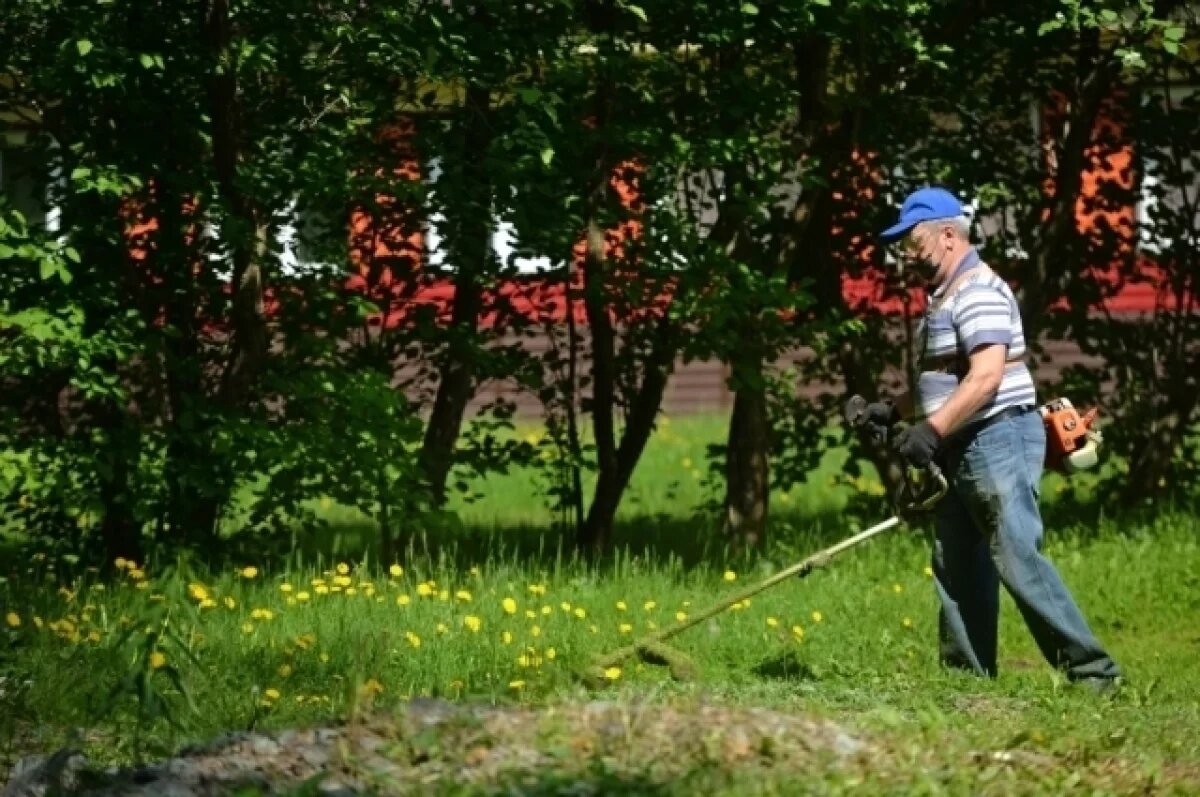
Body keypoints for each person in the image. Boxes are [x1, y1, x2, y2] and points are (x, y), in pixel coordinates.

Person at [852, 186, 1121, 691]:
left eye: (913, 243)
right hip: (966, 442)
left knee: (1018, 558)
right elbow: (948, 375)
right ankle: (967, 681)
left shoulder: (977, 290)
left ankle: (1093, 674)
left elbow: (986, 378)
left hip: (996, 439)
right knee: (956, 564)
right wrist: (895, 410)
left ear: (947, 236)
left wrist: (931, 429)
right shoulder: (946, 295)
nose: (906, 255)